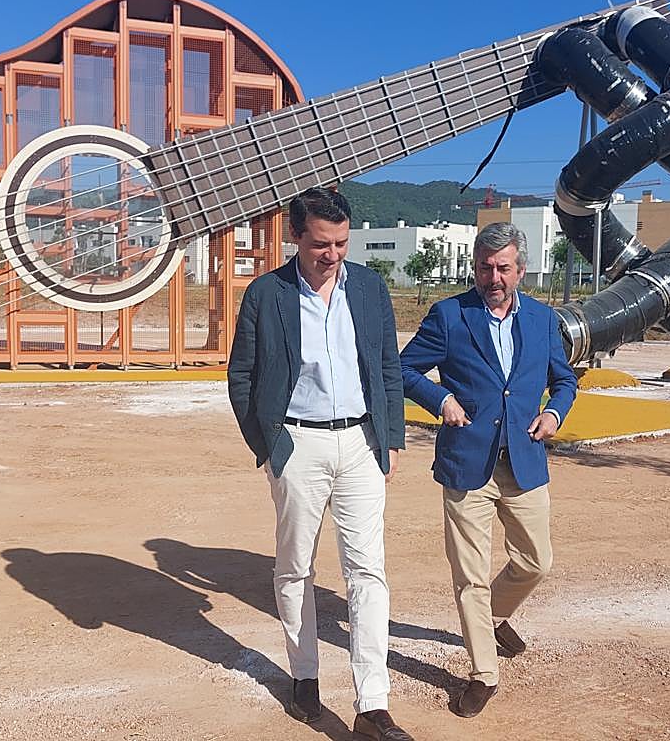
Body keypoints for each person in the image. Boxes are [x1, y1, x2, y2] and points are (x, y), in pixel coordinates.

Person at [227, 188, 414, 741]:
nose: (332, 255)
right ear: (295, 237)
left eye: (341, 243)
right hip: (296, 445)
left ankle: (372, 705)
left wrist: (392, 437)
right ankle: (304, 673)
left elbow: (387, 365)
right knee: (296, 567)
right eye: (320, 244)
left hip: (361, 442)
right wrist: (269, 447)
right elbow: (242, 376)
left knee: (367, 570)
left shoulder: (371, 287)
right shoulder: (267, 294)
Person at [400, 221, 577, 718]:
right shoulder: (450, 316)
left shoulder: (543, 321)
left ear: (521, 270)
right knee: (470, 576)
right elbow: (404, 368)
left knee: (536, 561)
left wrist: (554, 412)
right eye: (484, 267)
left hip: (523, 459)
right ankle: (483, 674)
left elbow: (564, 381)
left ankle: (495, 617)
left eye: (502, 268)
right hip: (467, 462)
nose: (492, 277)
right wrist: (441, 399)